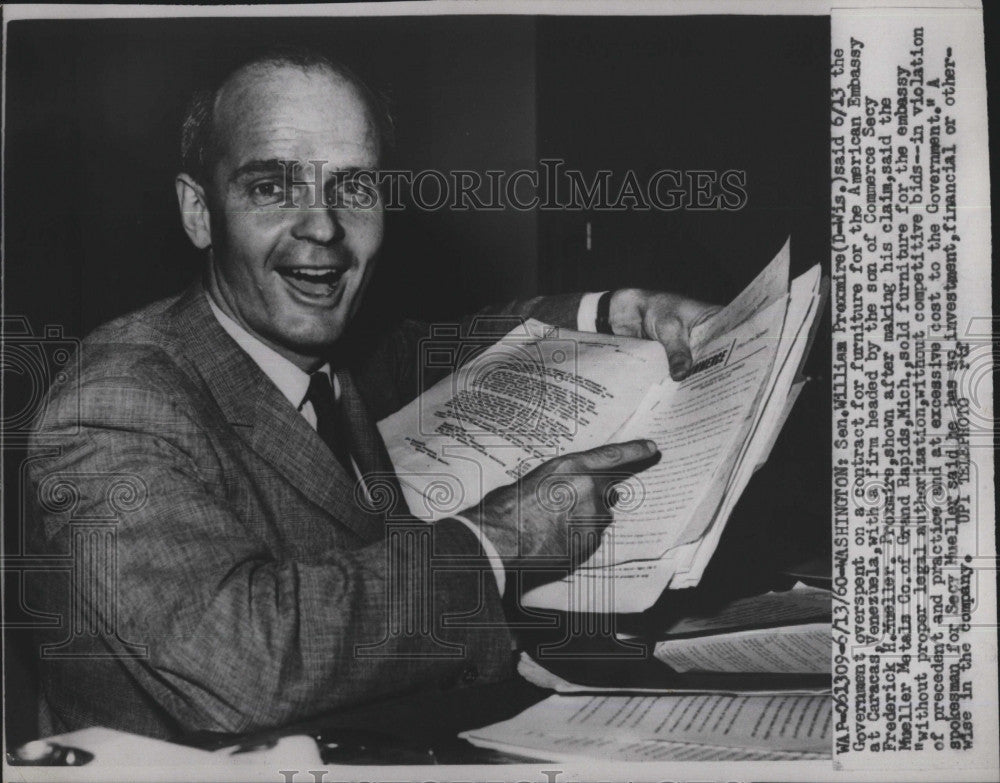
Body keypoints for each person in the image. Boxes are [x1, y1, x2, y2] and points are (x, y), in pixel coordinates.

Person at [26, 47, 717, 740]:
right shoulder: (116, 401)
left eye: (353, 187)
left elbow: (447, 346)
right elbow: (235, 660)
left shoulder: (325, 352)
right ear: (200, 212)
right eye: (272, 187)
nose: (323, 226)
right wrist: (500, 538)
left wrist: (617, 310)